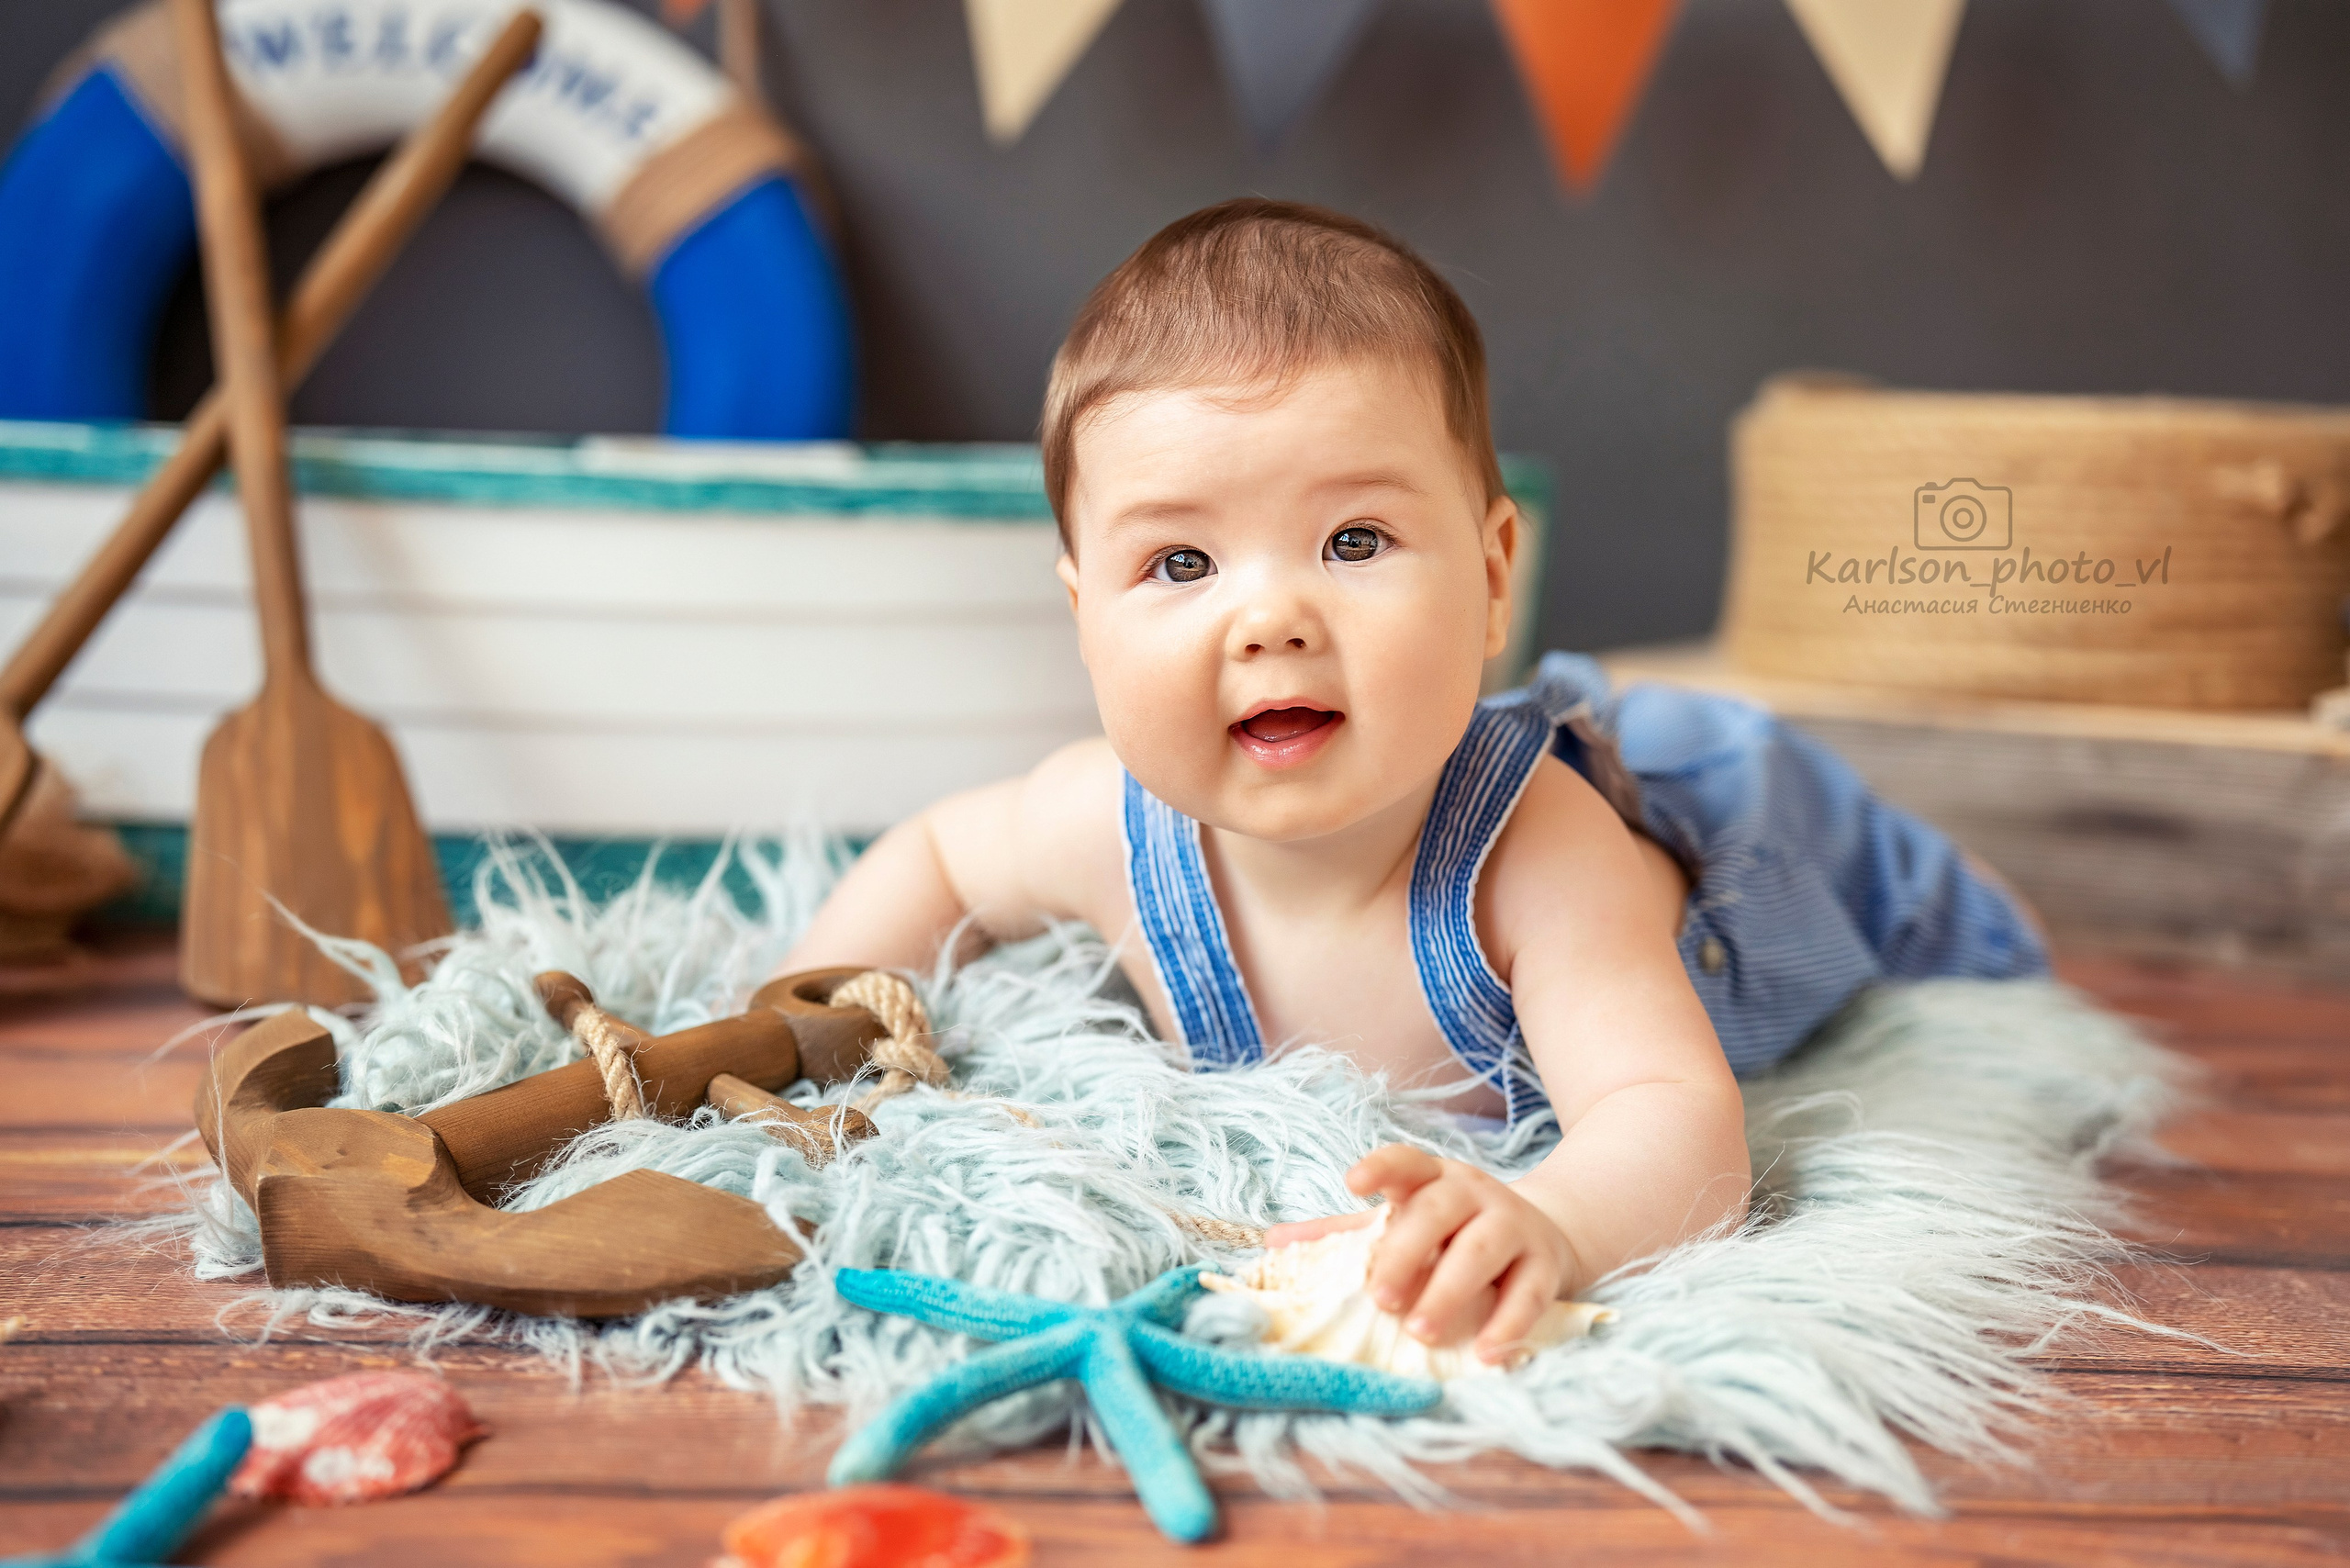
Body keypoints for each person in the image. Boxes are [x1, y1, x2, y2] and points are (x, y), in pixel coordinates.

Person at [778, 198, 2047, 1367]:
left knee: (1910, 892)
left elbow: (1677, 1120)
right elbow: (941, 858)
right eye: (1179, 563)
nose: (1269, 618)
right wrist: (789, 1016)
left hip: (1727, 827)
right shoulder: (1101, 822)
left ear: (1495, 576)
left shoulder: (1542, 859)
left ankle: (1953, 880)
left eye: (1355, 541)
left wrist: (1552, 1222)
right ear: (1082, 614)